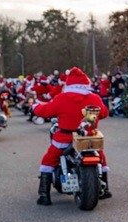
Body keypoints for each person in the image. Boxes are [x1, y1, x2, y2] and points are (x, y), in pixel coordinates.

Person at [32, 67, 111, 206]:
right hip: (87, 139)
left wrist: (34, 107)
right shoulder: (94, 98)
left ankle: (44, 194)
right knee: (101, 158)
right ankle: (106, 189)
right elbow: (104, 113)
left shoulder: (61, 98)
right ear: (86, 84)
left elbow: (45, 111)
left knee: (49, 160)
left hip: (64, 138)